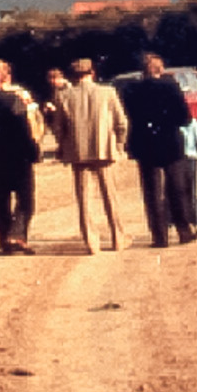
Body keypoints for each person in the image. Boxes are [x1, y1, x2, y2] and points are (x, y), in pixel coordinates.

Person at [120, 53, 197, 247]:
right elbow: (184, 118)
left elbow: (128, 117)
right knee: (177, 188)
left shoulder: (130, 89)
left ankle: (159, 235)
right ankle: (184, 230)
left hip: (144, 142)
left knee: (152, 191)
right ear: (160, 69)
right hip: (169, 140)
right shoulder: (170, 87)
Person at [56, 57, 130, 254]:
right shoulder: (107, 92)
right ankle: (118, 238)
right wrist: (119, 145)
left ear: (73, 75)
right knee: (111, 196)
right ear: (92, 73)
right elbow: (121, 122)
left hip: (77, 152)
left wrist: (63, 147)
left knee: (84, 199)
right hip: (105, 150)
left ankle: (91, 242)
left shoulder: (64, 96)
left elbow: (58, 128)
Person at [0, 58, 43, 254]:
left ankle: (5, 240)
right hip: (18, 155)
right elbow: (25, 127)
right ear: (8, 76)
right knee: (26, 200)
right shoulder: (16, 101)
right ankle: (17, 235)